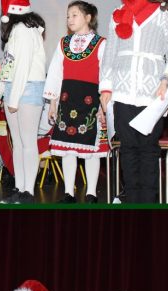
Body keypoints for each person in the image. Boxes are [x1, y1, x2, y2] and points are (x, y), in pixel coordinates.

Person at [99, 0, 168, 203]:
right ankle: (132, 200)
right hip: (122, 91)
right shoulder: (118, 13)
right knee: (128, 148)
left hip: (153, 92)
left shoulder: (164, 12)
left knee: (149, 148)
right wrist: (105, 87)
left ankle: (148, 201)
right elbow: (109, 53)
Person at [44, 1, 108, 204]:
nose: (69, 19)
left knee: (92, 151)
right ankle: (68, 193)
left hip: (91, 101)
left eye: (74, 15)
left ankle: (91, 193)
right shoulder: (63, 43)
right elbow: (55, 72)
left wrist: (103, 105)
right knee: (68, 149)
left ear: (88, 18)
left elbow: (106, 75)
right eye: (68, 16)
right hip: (67, 99)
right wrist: (53, 103)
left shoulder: (101, 43)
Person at [0, 0, 46, 205]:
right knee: (18, 143)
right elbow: (8, 64)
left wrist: (13, 97)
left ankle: (28, 191)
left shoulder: (24, 30)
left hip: (28, 88)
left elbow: (22, 66)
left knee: (28, 142)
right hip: (13, 87)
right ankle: (20, 187)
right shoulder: (17, 30)